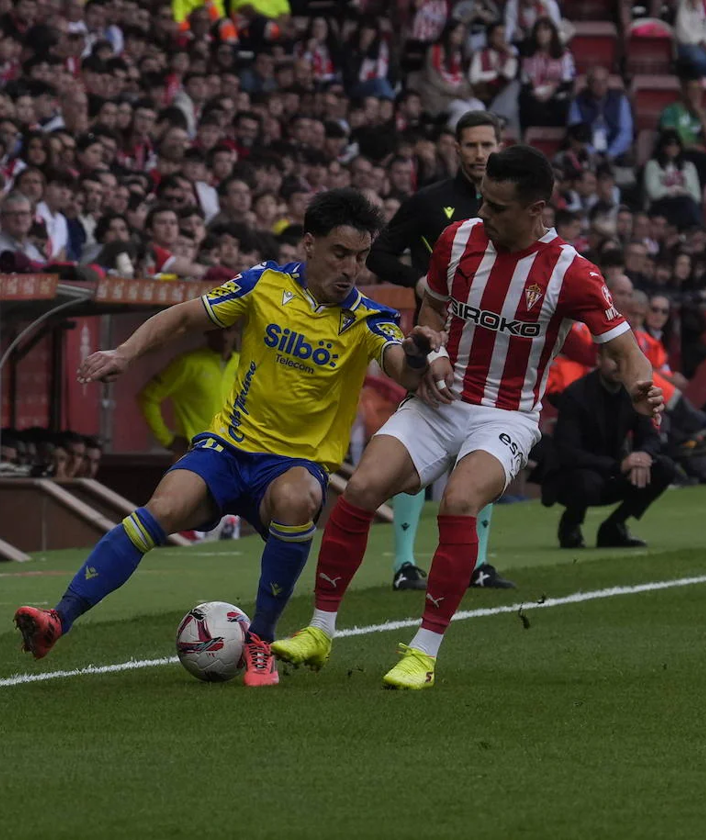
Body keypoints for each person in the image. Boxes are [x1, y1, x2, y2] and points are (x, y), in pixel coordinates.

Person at [13, 188, 445, 687]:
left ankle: (258, 643)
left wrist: (416, 352)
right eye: (341, 253)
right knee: (160, 510)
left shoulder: (368, 318)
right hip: (227, 448)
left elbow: (402, 368)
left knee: (300, 496)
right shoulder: (263, 285)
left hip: (292, 465)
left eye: (362, 257)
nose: (352, 268)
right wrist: (125, 353)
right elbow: (183, 316)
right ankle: (57, 621)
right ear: (309, 244)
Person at [272, 145, 663, 690]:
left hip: (506, 415)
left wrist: (643, 387)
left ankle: (423, 653)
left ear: (536, 210)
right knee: (360, 488)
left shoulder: (571, 273)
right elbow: (431, 304)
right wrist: (430, 343)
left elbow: (624, 348)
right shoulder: (458, 240)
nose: (486, 213)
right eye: (483, 200)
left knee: (458, 501)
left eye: (499, 207)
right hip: (443, 397)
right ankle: (318, 631)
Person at [365, 110, 514, 591]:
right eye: (470, 145)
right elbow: (378, 253)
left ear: (500, 144)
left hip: (493, 343)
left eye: (487, 144)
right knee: (421, 440)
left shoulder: (515, 203)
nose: (479, 154)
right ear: (456, 148)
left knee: (483, 442)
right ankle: (404, 564)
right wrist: (422, 283)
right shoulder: (430, 203)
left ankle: (479, 563)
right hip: (435, 338)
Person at [542, 348, 676, 548]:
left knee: (664, 467)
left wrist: (642, 455)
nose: (619, 365)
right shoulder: (576, 394)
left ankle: (614, 526)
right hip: (573, 476)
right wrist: (618, 466)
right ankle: (571, 524)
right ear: (598, 359)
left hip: (614, 472)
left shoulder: (633, 393)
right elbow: (567, 452)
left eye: (623, 358)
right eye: (613, 359)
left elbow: (651, 436)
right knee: (586, 481)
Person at [136, 327, 239, 457]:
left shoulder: (243, 364)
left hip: (232, 451)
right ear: (207, 331)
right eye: (218, 330)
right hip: (194, 451)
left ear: (237, 332)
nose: (224, 337)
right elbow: (148, 397)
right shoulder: (188, 363)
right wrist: (167, 439)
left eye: (229, 330)